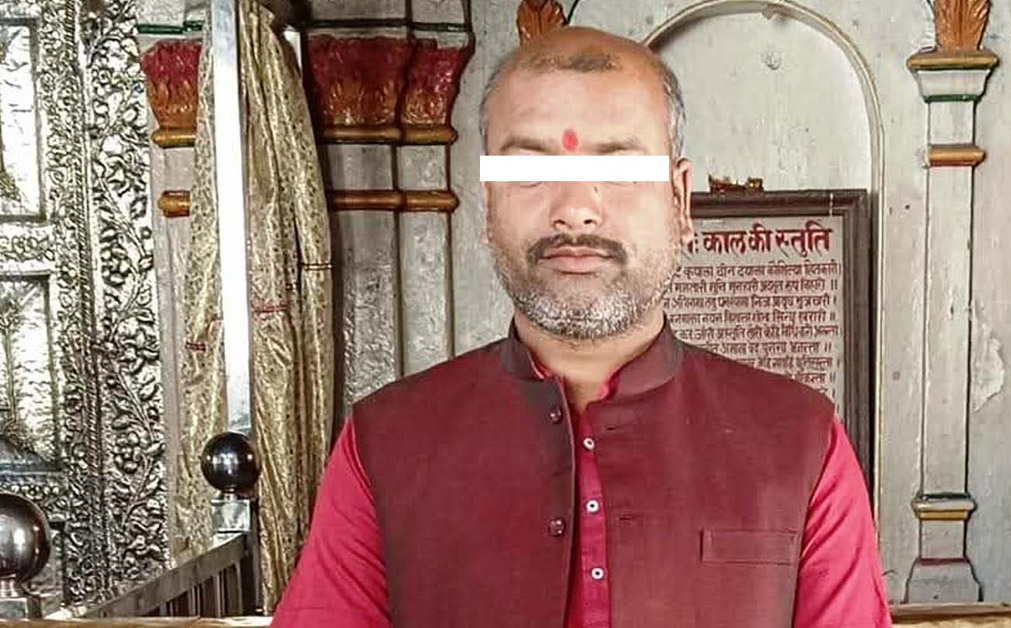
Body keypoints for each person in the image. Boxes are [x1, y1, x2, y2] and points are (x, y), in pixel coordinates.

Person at [273, 26, 891, 628]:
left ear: (679, 201)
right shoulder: (386, 444)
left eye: (621, 169)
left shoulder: (801, 443)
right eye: (527, 170)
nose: (575, 210)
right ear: (488, 204)